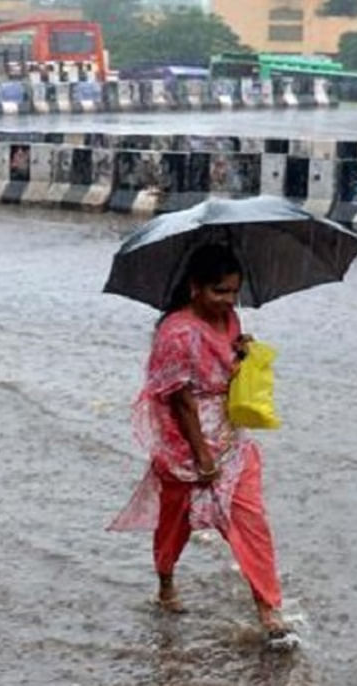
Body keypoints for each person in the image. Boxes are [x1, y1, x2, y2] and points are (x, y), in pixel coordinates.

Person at [109, 244, 294, 645]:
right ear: (195, 287)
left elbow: (226, 367)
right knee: (174, 523)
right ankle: (166, 582)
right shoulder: (176, 333)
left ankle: (268, 609)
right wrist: (203, 457)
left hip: (229, 437)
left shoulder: (228, 318)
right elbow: (181, 401)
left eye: (233, 292)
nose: (228, 301)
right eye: (219, 291)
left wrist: (242, 350)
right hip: (185, 445)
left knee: (251, 521)